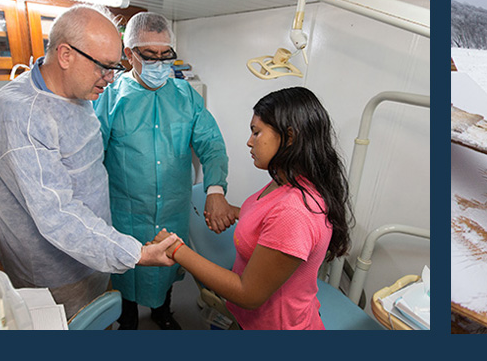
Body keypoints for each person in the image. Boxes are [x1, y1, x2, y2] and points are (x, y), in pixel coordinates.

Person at [0, 4, 178, 319]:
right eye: (103, 67)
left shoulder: (77, 94)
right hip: (52, 274)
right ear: (66, 55)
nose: (110, 78)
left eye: (115, 67)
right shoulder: (19, 117)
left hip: (94, 253)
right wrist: (134, 252)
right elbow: (57, 214)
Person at [151, 87, 352, 330]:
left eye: (256, 132)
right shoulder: (287, 181)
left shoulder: (294, 212)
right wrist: (233, 211)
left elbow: (248, 294)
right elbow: (268, 218)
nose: (249, 141)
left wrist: (177, 250)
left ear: (289, 137)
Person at [93, 11, 237, 330]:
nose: (160, 63)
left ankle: (162, 312)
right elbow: (90, 158)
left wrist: (215, 190)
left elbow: (211, 144)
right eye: (150, 55)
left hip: (172, 207)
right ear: (129, 55)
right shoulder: (110, 99)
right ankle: (128, 319)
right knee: (128, 267)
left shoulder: (186, 97)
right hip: (126, 212)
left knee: (171, 261)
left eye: (166, 55)